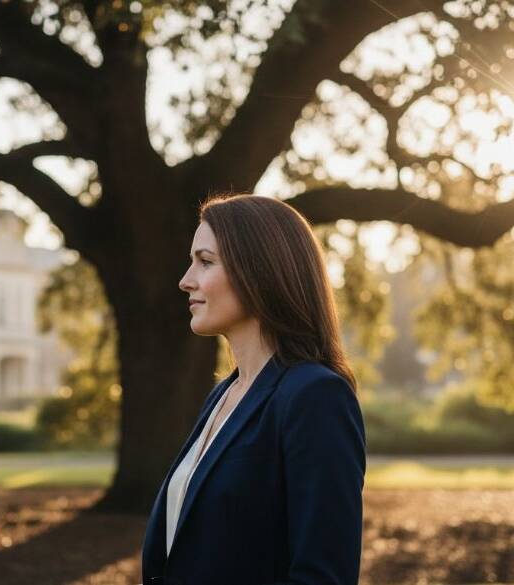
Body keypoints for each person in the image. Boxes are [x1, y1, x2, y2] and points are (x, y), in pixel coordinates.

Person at [140, 193, 367, 585]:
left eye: (205, 261)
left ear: (259, 271)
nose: (185, 280)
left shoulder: (314, 397)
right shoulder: (222, 396)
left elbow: (322, 575)